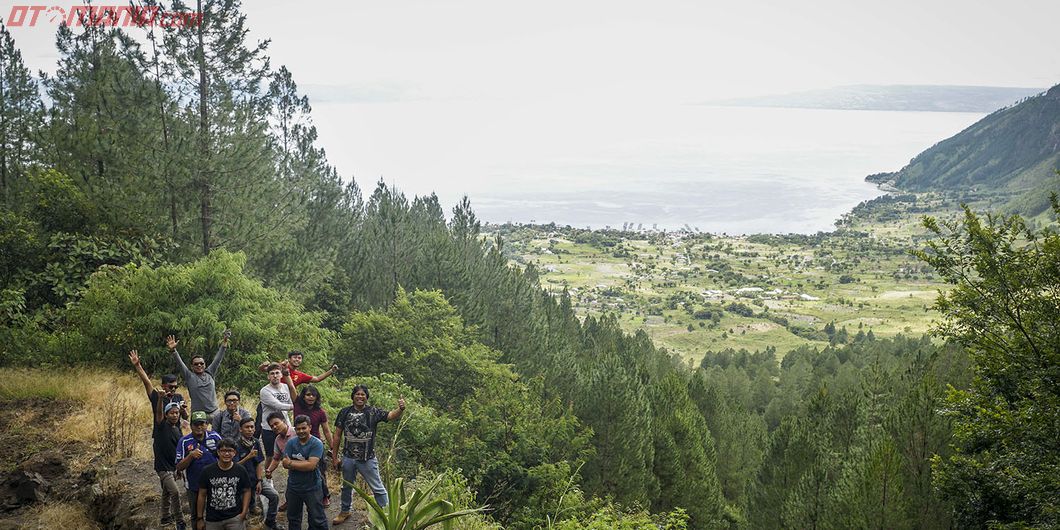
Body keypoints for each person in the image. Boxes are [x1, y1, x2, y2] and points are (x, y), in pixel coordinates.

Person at [331, 385, 406, 525]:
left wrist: (400, 409)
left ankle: (388, 516)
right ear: (353, 396)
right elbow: (337, 435)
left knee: (377, 488)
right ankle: (345, 511)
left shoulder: (373, 412)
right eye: (357, 394)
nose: (360, 396)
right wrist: (335, 457)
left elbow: (390, 416)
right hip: (348, 457)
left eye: (363, 394)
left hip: (367, 459)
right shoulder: (344, 412)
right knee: (347, 486)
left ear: (366, 397)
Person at [177, 410, 223, 530]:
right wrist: (190, 456)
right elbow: (179, 467)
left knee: (215, 511)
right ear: (190, 425)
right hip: (193, 484)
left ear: (207, 424)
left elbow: (225, 456)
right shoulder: (184, 441)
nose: (199, 427)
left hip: (215, 482)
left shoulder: (215, 437)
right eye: (196, 424)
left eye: (202, 423)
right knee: (196, 515)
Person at [169, 330, 231, 418]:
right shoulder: (190, 376)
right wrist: (174, 350)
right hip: (198, 414)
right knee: (198, 431)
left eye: (201, 363)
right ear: (192, 366)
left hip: (214, 412)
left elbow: (218, 358)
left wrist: (225, 341)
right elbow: (180, 363)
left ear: (205, 364)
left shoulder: (210, 373)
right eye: (196, 364)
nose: (199, 365)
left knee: (219, 431)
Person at [235, 417, 282, 530]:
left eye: (252, 427)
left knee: (274, 496)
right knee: (242, 509)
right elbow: (234, 467)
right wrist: (248, 457)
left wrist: (260, 480)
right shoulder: (235, 444)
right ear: (240, 429)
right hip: (241, 483)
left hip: (255, 478)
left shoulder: (255, 442)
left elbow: (258, 463)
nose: (250, 429)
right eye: (247, 427)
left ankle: (270, 522)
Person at [282, 415, 328, 530]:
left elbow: (311, 466)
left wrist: (291, 463)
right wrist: (303, 463)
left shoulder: (316, 443)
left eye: (304, 428)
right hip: (293, 487)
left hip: (312, 487)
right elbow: (284, 463)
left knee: (317, 519)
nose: (301, 431)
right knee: (293, 518)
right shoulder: (291, 442)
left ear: (310, 427)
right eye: (298, 429)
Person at [197, 438, 252, 530]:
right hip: (213, 519)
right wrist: (200, 518)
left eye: (230, 451)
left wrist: (244, 513)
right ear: (218, 452)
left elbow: (247, 490)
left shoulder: (240, 470)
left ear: (234, 453)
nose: (226, 454)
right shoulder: (207, 471)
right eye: (223, 451)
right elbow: (202, 494)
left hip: (235, 517)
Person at [293, 385, 333, 506]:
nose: (310, 397)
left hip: (316, 444)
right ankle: (293, 497)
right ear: (303, 396)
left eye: (313, 395)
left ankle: (324, 495)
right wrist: (286, 373)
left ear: (317, 397)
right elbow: (291, 386)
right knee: (296, 469)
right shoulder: (298, 406)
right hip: (298, 442)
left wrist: (333, 447)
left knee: (320, 471)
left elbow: (326, 430)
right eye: (308, 395)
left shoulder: (320, 412)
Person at [130, 349, 189, 425]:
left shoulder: (178, 397)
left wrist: (183, 410)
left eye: (176, 387)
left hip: (175, 433)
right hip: (161, 433)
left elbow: (186, 417)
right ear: (163, 386)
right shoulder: (156, 396)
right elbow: (147, 382)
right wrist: (138, 366)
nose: (173, 389)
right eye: (171, 387)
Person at [154, 398, 186, 530]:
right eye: (171, 413)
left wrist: (179, 468)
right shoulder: (161, 427)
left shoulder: (177, 430)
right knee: (175, 492)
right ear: (166, 415)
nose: (175, 415)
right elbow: (158, 414)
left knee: (167, 492)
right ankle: (180, 520)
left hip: (173, 466)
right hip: (162, 467)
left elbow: (178, 451)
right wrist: (160, 398)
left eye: (177, 413)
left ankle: (165, 516)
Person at [259, 364, 295, 461]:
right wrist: (296, 407)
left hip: (285, 426)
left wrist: (293, 406)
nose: (275, 376)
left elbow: (290, 402)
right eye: (272, 373)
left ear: (281, 375)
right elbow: (278, 405)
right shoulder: (264, 391)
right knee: (271, 457)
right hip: (269, 428)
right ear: (268, 376)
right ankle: (267, 473)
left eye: (277, 373)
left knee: (290, 454)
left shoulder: (286, 387)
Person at [264, 412, 297, 514]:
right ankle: (290, 503)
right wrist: (269, 470)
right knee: (291, 490)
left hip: (308, 468)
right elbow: (276, 458)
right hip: (292, 471)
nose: (274, 427)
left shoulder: (297, 432)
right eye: (272, 426)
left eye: (276, 423)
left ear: (283, 421)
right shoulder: (278, 439)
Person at [257, 350, 338, 387]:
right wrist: (263, 365)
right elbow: (262, 369)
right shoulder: (280, 367)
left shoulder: (300, 375)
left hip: (286, 402)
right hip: (272, 396)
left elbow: (317, 379)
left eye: (299, 358)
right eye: (295, 357)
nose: (297, 360)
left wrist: (331, 371)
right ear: (289, 359)